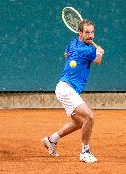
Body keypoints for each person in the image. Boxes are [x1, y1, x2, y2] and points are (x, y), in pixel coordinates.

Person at [42, 19, 105, 163]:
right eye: (87, 33)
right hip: (66, 89)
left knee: (79, 122)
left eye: (92, 32)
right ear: (80, 33)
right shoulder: (88, 50)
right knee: (89, 116)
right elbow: (97, 61)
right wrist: (100, 52)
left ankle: (51, 140)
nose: (91, 36)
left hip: (64, 88)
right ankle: (85, 152)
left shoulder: (73, 43)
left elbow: (66, 55)